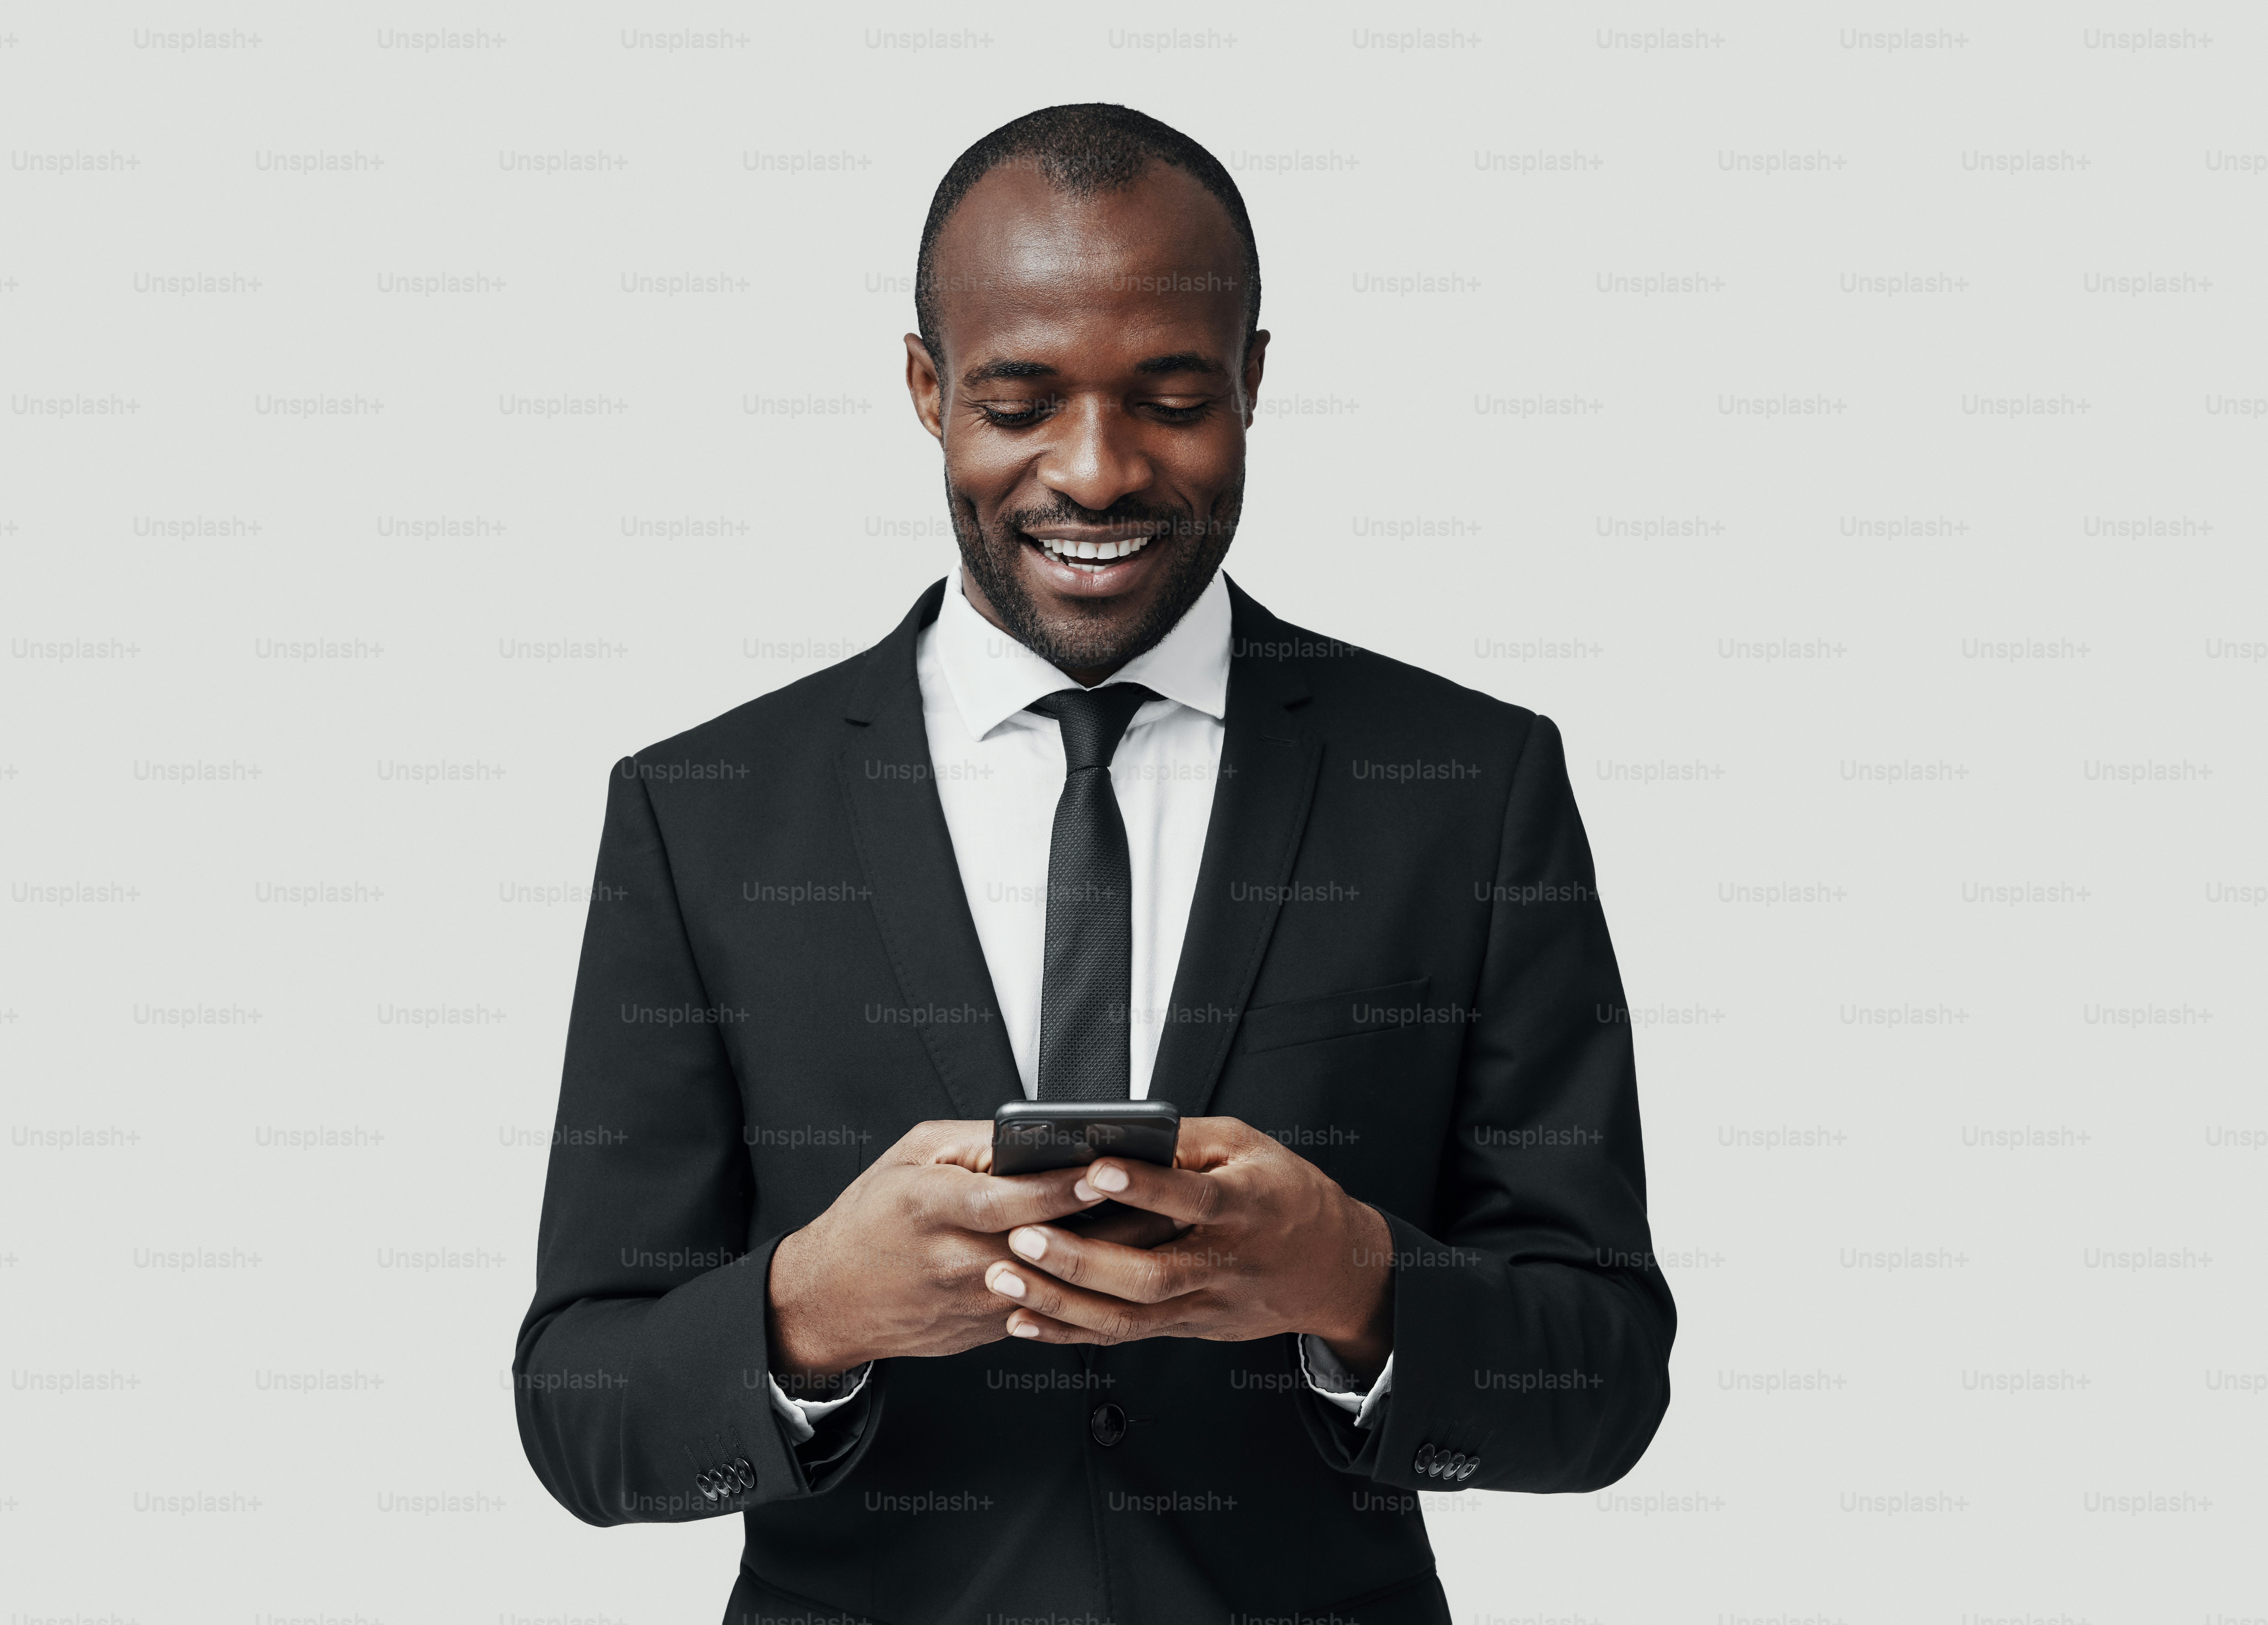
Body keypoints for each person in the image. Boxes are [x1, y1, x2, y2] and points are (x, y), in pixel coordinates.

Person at [512, 103, 1673, 1625]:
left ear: (1254, 381)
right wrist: (807, 1312)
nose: (1098, 470)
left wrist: (1353, 1280)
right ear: (925, 389)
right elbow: (581, 1413)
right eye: (1019, 400)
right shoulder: (705, 809)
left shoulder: (1468, 784)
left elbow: (1600, 1384)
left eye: (1170, 397)